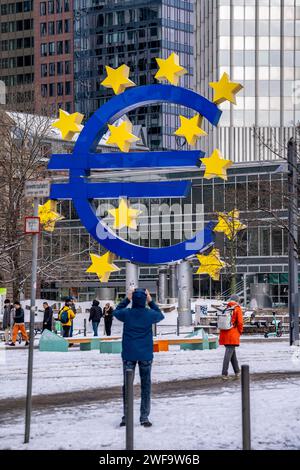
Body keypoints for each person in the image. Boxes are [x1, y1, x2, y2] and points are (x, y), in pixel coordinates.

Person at [114, 288, 164, 428]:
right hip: (145, 355)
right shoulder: (149, 314)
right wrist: (150, 300)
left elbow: (116, 311)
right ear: (144, 300)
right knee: (146, 386)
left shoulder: (127, 314)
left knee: (127, 387)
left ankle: (127, 416)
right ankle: (144, 417)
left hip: (129, 354)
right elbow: (160, 315)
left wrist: (127, 299)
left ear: (133, 299)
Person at [219, 294, 244, 380]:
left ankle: (237, 372)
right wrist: (240, 332)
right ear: (237, 300)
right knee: (228, 355)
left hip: (224, 333)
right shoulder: (237, 308)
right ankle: (224, 373)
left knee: (232, 354)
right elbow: (240, 322)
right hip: (232, 334)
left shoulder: (226, 307)